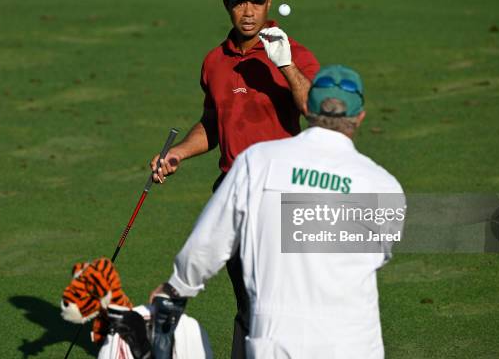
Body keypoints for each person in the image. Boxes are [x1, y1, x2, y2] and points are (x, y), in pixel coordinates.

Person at [150, 65, 406, 358]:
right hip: (355, 344)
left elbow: (209, 242)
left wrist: (177, 289)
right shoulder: (385, 186)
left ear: (307, 107)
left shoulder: (257, 162)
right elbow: (377, 253)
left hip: (277, 342)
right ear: (359, 117)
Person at [149, 0, 320, 358]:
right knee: (248, 304)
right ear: (226, 6)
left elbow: (316, 110)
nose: (248, 11)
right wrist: (178, 152)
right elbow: (214, 122)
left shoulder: (292, 51)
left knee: (285, 303)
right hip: (233, 196)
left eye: (256, 2)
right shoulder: (214, 62)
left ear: (269, 3)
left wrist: (286, 65)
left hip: (284, 195)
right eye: (240, 3)